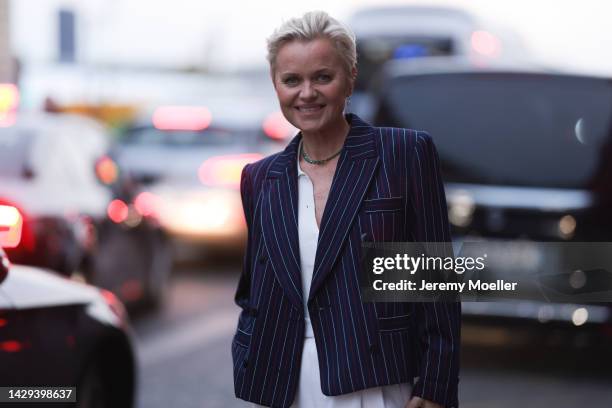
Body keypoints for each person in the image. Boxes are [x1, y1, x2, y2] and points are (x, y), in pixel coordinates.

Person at [231, 11, 460, 408]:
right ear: (276, 85)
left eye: (322, 77)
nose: (307, 93)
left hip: (380, 383)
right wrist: (248, 358)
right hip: (286, 386)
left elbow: (436, 284)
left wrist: (435, 385)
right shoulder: (259, 178)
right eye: (292, 80)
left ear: (351, 77)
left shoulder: (404, 154)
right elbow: (255, 293)